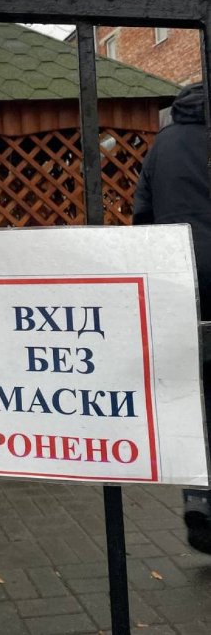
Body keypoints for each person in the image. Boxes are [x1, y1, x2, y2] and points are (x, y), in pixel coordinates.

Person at [133, 81, 211, 553]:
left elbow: (143, 215)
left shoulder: (164, 145)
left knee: (196, 393)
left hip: (184, 280)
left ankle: (200, 497)